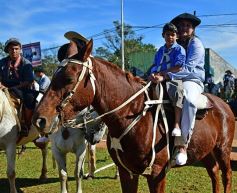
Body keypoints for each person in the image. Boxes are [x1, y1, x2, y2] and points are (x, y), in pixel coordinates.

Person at [170, 13, 205, 165]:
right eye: (181, 25)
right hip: (175, 79)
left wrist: (165, 75)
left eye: (188, 26)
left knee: (190, 101)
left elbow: (189, 68)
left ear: (193, 29)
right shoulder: (173, 45)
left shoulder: (196, 44)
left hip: (192, 79)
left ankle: (182, 145)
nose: (184, 28)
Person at [148, 22, 186, 137]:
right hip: (159, 76)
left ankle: (177, 124)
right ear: (163, 36)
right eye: (167, 34)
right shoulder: (160, 50)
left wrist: (163, 75)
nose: (170, 37)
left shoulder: (179, 49)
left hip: (172, 77)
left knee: (176, 90)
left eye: (173, 35)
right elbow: (155, 64)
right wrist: (153, 74)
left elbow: (178, 66)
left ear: (177, 36)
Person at [0, 38, 37, 137]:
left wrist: (14, 88)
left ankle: (26, 124)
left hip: (21, 88)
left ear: (20, 49)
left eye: (16, 48)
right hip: (3, 88)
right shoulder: (2, 62)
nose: (14, 51)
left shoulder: (26, 63)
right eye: (11, 49)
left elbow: (29, 81)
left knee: (30, 98)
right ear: (7, 50)